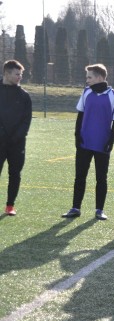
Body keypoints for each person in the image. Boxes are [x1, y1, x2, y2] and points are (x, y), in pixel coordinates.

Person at [61, 64, 114, 220]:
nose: (87, 80)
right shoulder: (86, 92)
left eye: (89, 77)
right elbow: (80, 115)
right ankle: (75, 208)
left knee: (101, 177)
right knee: (79, 176)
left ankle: (99, 210)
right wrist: (77, 136)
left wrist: (111, 141)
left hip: (102, 143)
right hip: (84, 142)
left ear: (99, 77)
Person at [0, 60, 31, 216]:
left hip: (17, 144)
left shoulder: (24, 96)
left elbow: (27, 120)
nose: (20, 77)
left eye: (21, 74)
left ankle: (10, 205)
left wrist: (17, 136)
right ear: (6, 73)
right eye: (17, 74)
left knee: (15, 173)